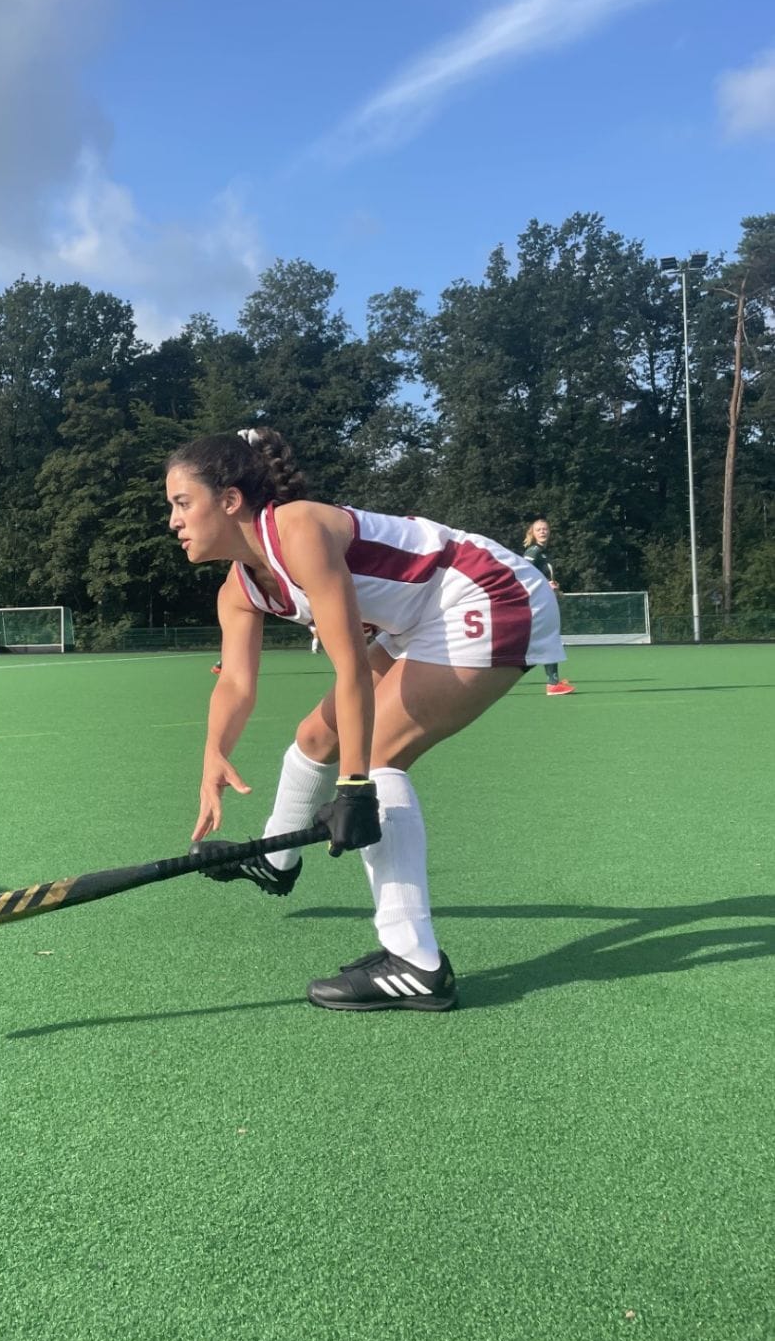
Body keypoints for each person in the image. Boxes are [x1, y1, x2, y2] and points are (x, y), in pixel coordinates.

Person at [166, 427, 563, 1014]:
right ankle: (277, 858)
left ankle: (416, 962)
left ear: (229, 500)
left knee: (378, 758)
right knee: (312, 738)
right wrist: (212, 755)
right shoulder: (238, 588)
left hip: (489, 594)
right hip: (422, 618)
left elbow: (351, 668)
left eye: (181, 503)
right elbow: (235, 682)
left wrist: (355, 788)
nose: (173, 521)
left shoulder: (298, 529)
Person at [522, 517, 575, 696]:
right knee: (547, 639)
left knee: (543, 641)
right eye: (539, 529)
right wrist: (545, 584)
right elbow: (524, 574)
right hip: (535, 603)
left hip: (543, 601)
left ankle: (553, 681)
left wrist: (551, 585)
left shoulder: (544, 553)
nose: (543, 531)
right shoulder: (534, 551)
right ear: (533, 533)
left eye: (545, 529)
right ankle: (553, 684)